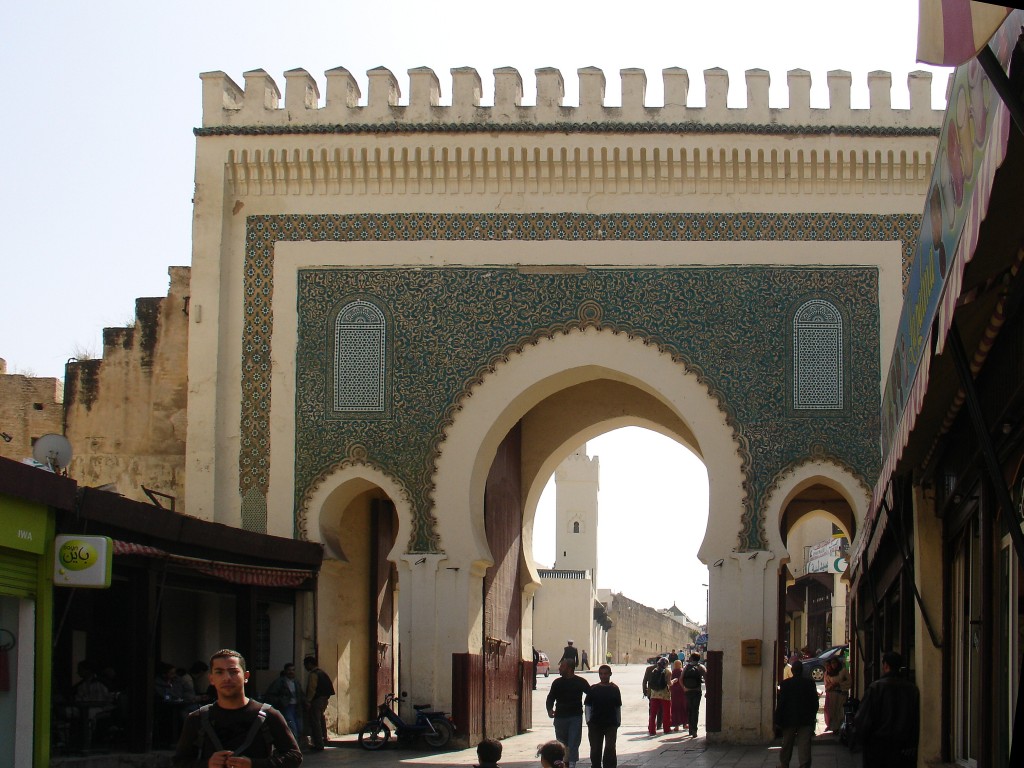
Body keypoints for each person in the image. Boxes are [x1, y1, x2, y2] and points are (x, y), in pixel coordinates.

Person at [172, 648, 301, 768]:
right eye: (219, 672)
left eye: (233, 672)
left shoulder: (269, 715)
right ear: (211, 679)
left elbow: (294, 757)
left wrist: (254, 764)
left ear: (246, 677)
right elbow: (179, 762)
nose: (227, 678)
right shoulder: (197, 719)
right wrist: (208, 764)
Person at [854, 651, 920, 768]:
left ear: (885, 666)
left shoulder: (876, 688)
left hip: (878, 746)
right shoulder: (911, 689)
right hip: (902, 747)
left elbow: (864, 718)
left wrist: (859, 739)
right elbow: (915, 719)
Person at [774, 659, 819, 768]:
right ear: (802, 670)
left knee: (787, 744)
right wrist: (813, 716)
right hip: (805, 719)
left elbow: (781, 703)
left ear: (792, 671)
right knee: (804, 745)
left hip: (789, 719)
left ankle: (784, 764)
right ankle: (804, 765)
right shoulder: (809, 683)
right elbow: (814, 702)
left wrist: (777, 719)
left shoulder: (785, 684)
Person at [546, 659, 590, 768]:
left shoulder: (580, 682)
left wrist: (589, 709)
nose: (559, 669)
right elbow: (550, 697)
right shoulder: (557, 682)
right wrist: (549, 709)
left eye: (562, 667)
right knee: (561, 743)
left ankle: (572, 764)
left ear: (569, 669)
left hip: (575, 717)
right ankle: (563, 763)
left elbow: (591, 694)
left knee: (574, 742)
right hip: (560, 717)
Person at [584, 664, 621, 768]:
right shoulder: (593, 689)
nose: (603, 676)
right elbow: (587, 706)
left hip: (611, 724)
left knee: (610, 747)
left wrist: (618, 721)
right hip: (595, 724)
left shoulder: (615, 689)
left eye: (605, 674)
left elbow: (617, 707)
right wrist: (588, 721)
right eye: (601, 674)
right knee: (595, 748)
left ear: (610, 674)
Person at [264, 662, 305, 742]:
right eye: (289, 670)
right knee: (292, 726)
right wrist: (281, 701)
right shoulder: (280, 682)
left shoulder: (296, 682)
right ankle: (294, 745)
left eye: (293, 670)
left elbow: (301, 694)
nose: (291, 672)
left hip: (296, 707)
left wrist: (306, 702)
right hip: (287, 707)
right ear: (285, 671)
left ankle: (298, 744)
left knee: (299, 727)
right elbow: (271, 695)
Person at [303, 655, 335, 752]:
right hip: (324, 700)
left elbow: (312, 689)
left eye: (306, 665)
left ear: (309, 664)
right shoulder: (322, 673)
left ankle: (318, 744)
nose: (305, 667)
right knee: (321, 720)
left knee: (315, 722)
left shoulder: (314, 674)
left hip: (317, 700)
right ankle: (324, 739)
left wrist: (308, 701)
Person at [681, 653, 707, 737]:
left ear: (691, 658)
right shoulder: (701, 667)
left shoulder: (686, 667)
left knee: (689, 709)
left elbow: (680, 679)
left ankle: (690, 730)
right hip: (697, 691)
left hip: (688, 691)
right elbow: (707, 679)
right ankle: (694, 730)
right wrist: (708, 691)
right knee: (695, 710)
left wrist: (684, 688)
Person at [823, 657, 851, 732]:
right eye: (832, 663)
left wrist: (840, 684)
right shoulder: (829, 673)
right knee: (833, 711)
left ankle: (840, 727)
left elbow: (849, 681)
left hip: (841, 693)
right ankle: (834, 727)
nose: (833, 665)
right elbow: (826, 684)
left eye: (835, 663)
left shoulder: (843, 671)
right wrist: (831, 686)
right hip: (832, 694)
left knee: (840, 711)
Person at [646, 656, 672, 736]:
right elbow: (669, 683)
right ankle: (666, 729)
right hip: (665, 695)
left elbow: (650, 683)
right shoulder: (668, 671)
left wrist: (648, 693)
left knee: (653, 714)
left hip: (654, 695)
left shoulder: (654, 670)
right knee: (666, 713)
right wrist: (674, 681)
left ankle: (652, 730)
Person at [641, 657, 662, 730]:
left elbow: (644, 681)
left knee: (652, 709)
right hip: (661, 692)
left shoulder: (649, 669)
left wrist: (645, 690)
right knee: (660, 709)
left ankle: (651, 724)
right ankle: (659, 725)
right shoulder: (664, 670)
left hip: (651, 691)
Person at [669, 659, 689, 733]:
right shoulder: (683, 671)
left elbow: (670, 682)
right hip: (683, 692)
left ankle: (676, 726)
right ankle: (685, 724)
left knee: (675, 708)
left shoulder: (672, 672)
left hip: (674, 693)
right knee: (684, 707)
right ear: (681, 664)